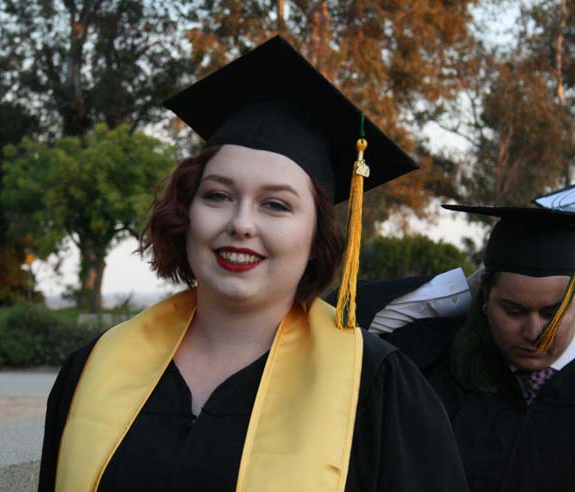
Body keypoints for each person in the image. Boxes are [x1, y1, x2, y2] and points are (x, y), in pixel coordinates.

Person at [38, 36, 468, 492]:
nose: (241, 223)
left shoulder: (377, 387)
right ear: (187, 213)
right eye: (218, 196)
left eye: (276, 205)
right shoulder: (95, 368)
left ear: (315, 233)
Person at [346, 204, 575, 492]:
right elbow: (349, 322)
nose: (534, 333)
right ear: (483, 299)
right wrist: (462, 289)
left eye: (552, 314)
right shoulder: (442, 367)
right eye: (513, 310)